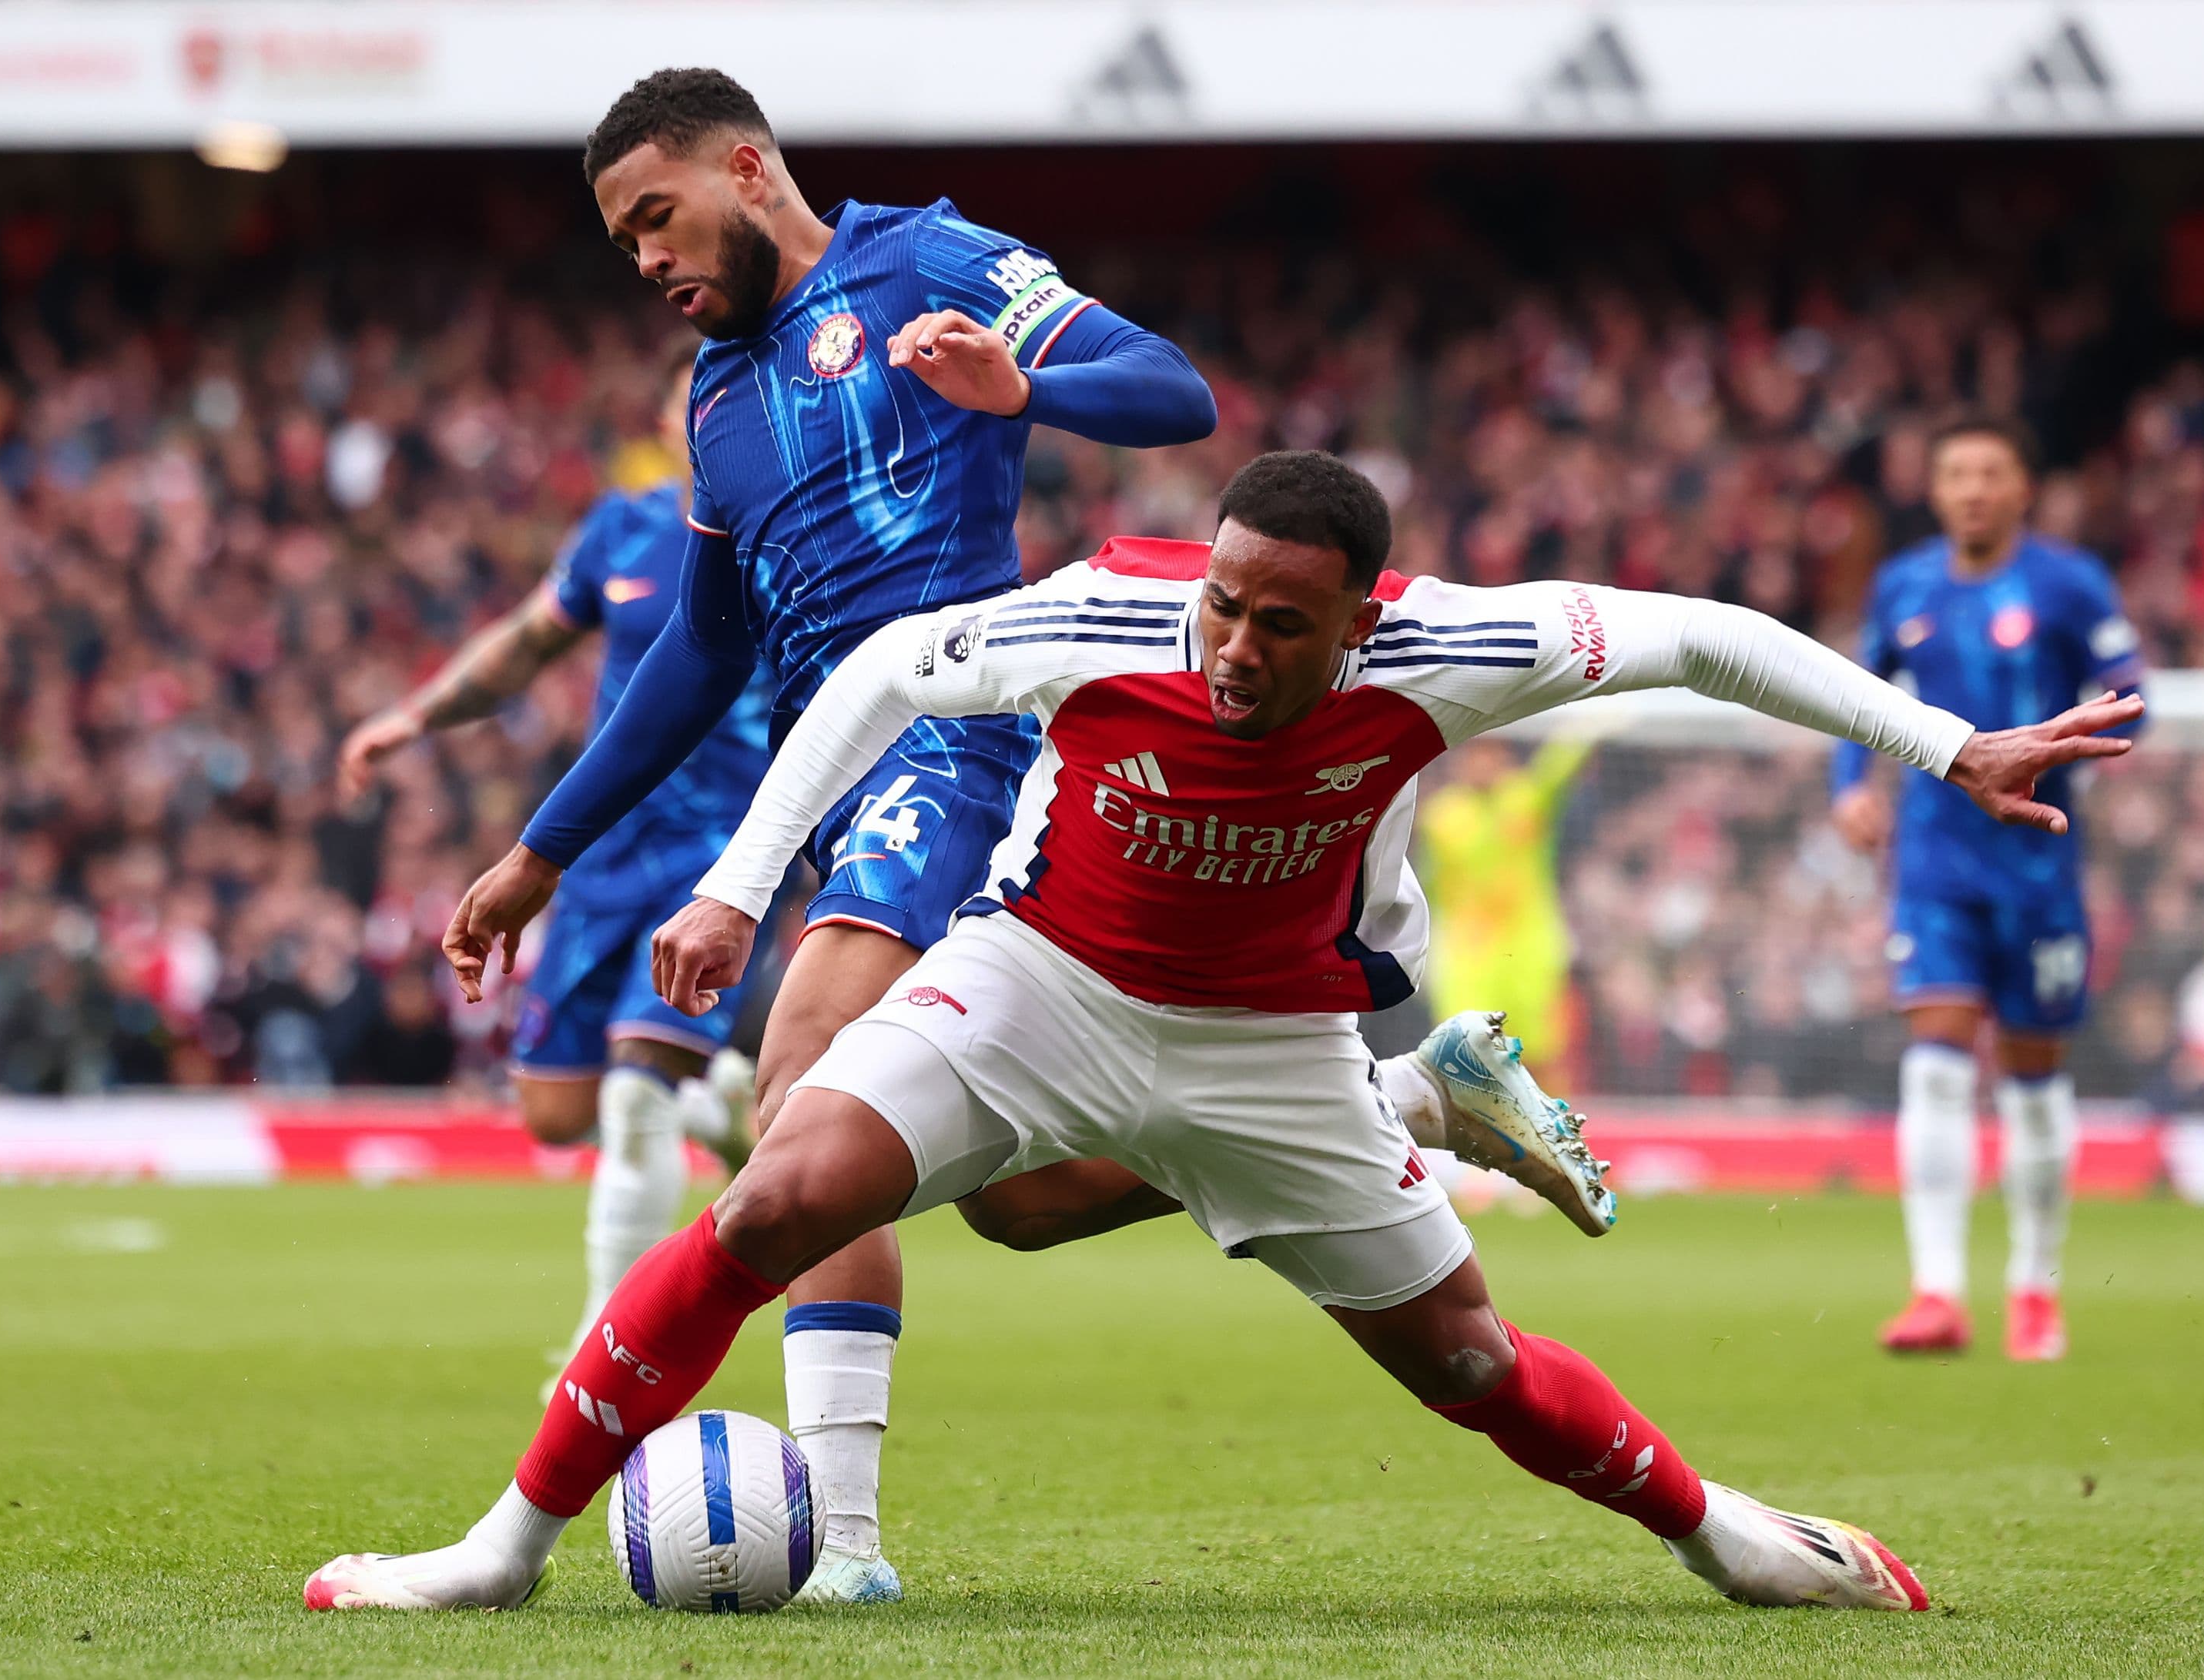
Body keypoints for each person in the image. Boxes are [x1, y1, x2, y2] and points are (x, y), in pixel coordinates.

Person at [308, 451, 2139, 1615]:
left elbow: (1706, 637)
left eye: (1281, 625)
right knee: (777, 1191)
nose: (1237, 650)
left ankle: (1723, 1533)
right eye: (1222, 609)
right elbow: (877, 671)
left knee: (1473, 1370)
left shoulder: (1462, 645)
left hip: (1267, 1047)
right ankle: (499, 1547)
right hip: (1037, 988)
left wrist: (1937, 744)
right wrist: (734, 880)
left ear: (1363, 617)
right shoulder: (1102, 613)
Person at [432, 67, 1580, 1601]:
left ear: (745, 168)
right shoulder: (716, 403)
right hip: (845, 780)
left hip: (974, 740)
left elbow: (1174, 393)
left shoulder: (926, 263)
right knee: (1018, 1199)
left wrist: (1015, 386)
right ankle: (1405, 1100)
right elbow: (697, 658)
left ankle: (840, 1547)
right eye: (619, 238)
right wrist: (542, 847)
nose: (642, 257)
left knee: (800, 1089)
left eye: (656, 214)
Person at [338, 347, 772, 1360]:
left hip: (718, 849)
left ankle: (605, 1340)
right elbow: (527, 642)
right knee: (556, 1112)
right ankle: (715, 1102)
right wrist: (414, 716)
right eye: (688, 400)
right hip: (602, 849)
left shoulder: (776, 533)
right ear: (669, 422)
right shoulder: (618, 529)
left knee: (631, 1093)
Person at [1832, 414, 2147, 1362]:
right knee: (1933, 1053)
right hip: (1933, 862)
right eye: (1954, 472)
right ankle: (1935, 1290)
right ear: (1933, 490)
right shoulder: (1905, 583)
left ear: (2021, 488)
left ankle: (2034, 1291)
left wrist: (2077, 755)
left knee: (2032, 1071)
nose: (1971, 488)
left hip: (2040, 863)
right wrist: (1852, 788)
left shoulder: (2068, 582)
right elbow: (1858, 699)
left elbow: (2133, 691)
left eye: (1988, 472)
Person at [1416, 732, 1596, 1075]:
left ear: (1506, 758)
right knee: (1468, 1049)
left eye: (1492, 753)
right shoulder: (1441, 816)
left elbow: (1560, 764)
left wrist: (1597, 718)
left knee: (1540, 1051)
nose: (1482, 764)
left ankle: (1548, 1125)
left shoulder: (1526, 799)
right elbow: (1432, 885)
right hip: (1470, 952)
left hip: (1529, 947)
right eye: (1475, 754)